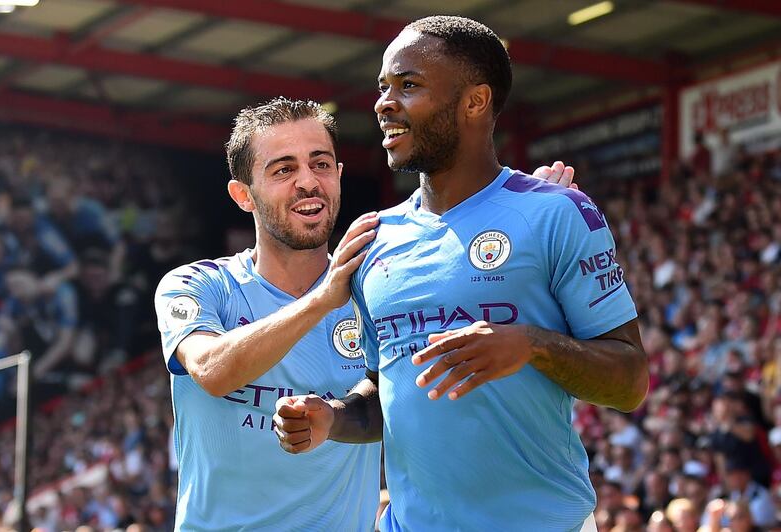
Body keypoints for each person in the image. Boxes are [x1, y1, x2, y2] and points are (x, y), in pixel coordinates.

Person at [274, 16, 648, 532]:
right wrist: (334, 418)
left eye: (409, 86)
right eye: (383, 87)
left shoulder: (556, 213)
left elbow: (630, 381)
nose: (384, 103)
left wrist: (534, 345)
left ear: (475, 101)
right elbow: (387, 391)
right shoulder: (373, 239)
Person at [154, 96, 577, 529]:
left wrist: (530, 227)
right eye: (283, 169)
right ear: (243, 194)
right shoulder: (199, 285)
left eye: (320, 164)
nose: (307, 182)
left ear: (338, 176)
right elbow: (211, 370)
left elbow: (476, 323)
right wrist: (322, 299)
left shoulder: (378, 288)